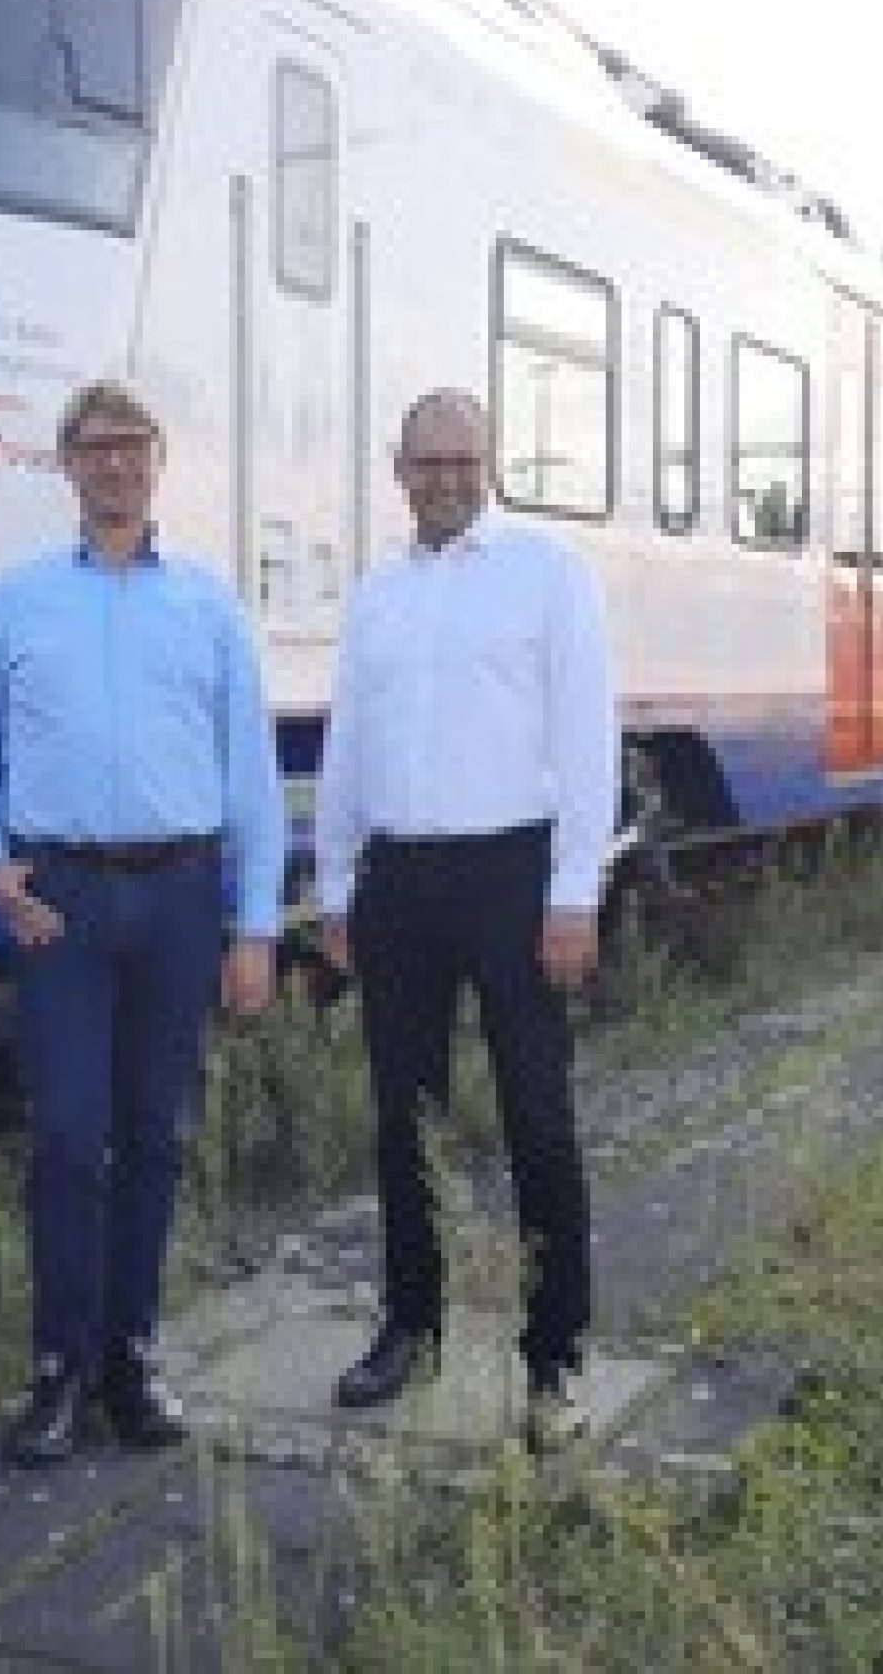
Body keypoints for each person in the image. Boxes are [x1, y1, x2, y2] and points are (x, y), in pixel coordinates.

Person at [0, 378, 286, 1468]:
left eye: (132, 446)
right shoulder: (18, 598)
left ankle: (130, 1358)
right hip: (63, 906)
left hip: (180, 897)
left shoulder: (209, 605)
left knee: (153, 1137)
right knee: (65, 1138)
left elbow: (253, 778)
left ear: (157, 461)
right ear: (67, 464)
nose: (115, 464)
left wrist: (255, 927)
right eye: (95, 448)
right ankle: (56, 1370)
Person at [313, 387, 618, 1450]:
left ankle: (556, 1358)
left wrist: (572, 890)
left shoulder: (546, 575)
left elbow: (586, 733)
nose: (442, 476)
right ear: (397, 469)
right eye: (423, 460)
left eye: (460, 458)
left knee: (538, 1116)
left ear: (487, 462)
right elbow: (349, 739)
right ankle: (410, 1323)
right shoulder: (377, 596)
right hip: (397, 876)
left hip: (512, 872)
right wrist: (336, 879)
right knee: (405, 1117)